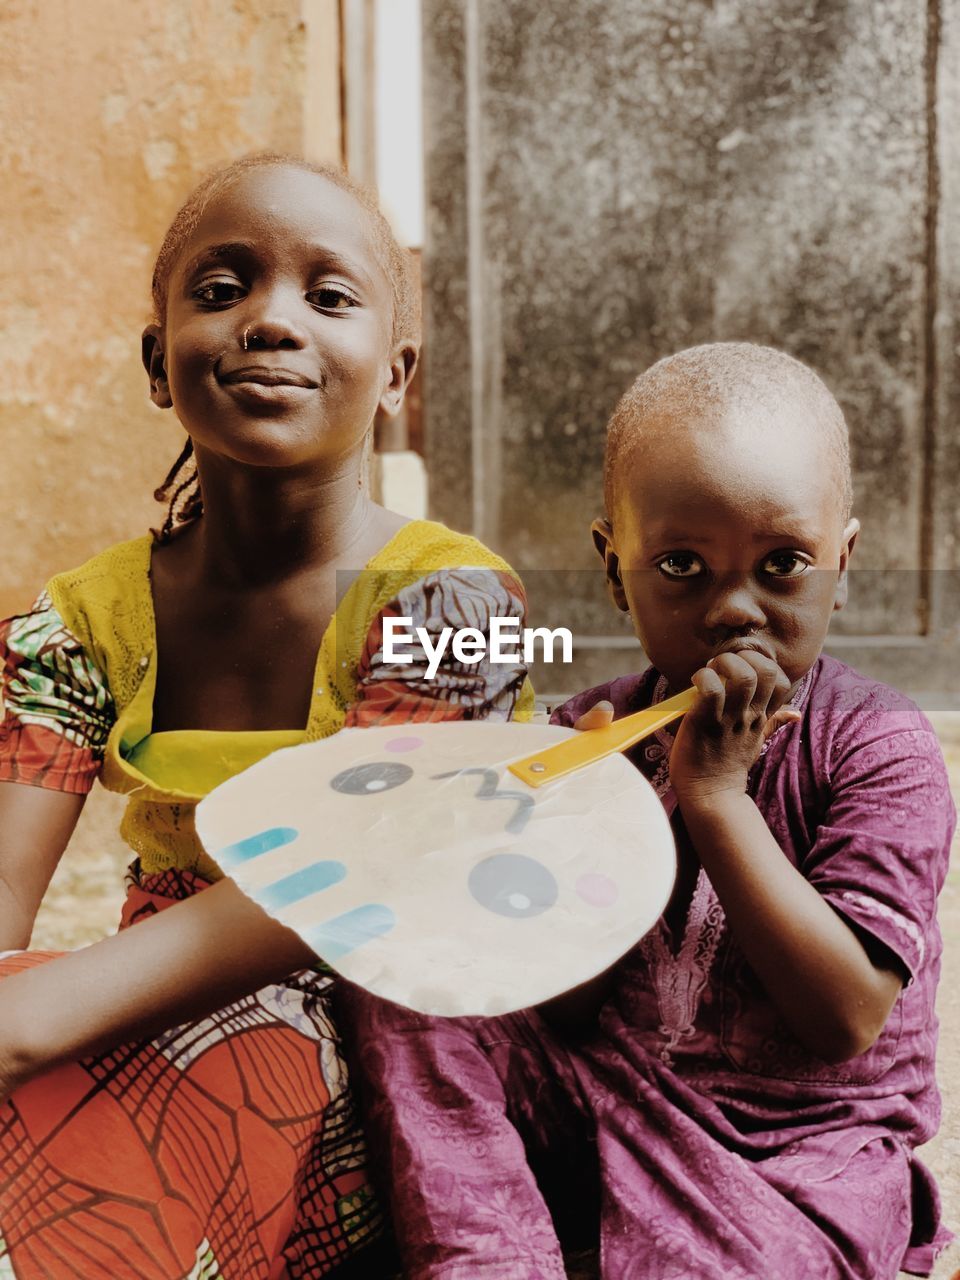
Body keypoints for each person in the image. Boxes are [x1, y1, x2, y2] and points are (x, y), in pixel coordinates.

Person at [0, 153, 533, 1279]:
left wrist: (38, 1019)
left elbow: (351, 882)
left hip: (390, 1015)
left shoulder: (459, 604)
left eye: (328, 296)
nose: (271, 322)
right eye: (221, 288)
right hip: (149, 985)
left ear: (396, 375)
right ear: (159, 362)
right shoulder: (80, 618)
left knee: (153, 1140)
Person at [340, 343, 956, 1279]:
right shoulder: (594, 734)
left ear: (844, 561)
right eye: (682, 565)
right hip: (607, 1106)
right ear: (615, 568)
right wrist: (581, 831)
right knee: (411, 984)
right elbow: (566, 1013)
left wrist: (713, 798)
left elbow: (844, 1018)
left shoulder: (878, 745)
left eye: (784, 564)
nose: (733, 610)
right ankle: (491, 1261)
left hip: (796, 1158)